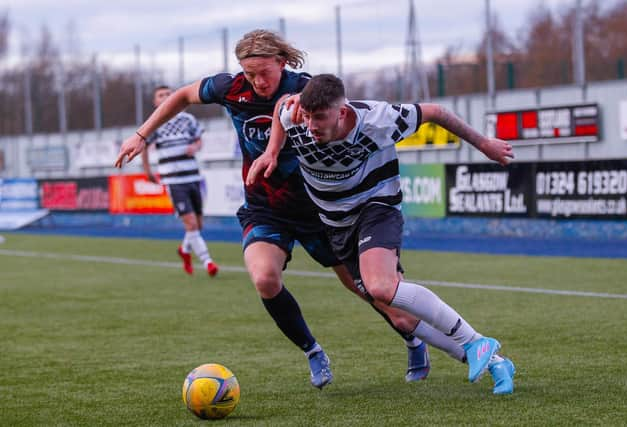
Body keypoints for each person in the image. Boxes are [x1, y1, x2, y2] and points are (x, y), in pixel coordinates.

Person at [116, 30, 448, 389]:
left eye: (265, 73)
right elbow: (182, 95)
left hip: (321, 209)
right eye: (249, 73)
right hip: (265, 208)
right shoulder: (230, 88)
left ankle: (413, 340)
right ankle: (312, 351)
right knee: (264, 278)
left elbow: (346, 124)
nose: (257, 81)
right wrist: (142, 134)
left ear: (282, 62)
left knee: (368, 289)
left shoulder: (306, 91)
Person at [247, 73, 517, 394]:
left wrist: (484, 144)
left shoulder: (379, 119)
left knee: (381, 286)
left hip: (377, 207)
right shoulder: (296, 116)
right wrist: (272, 151)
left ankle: (475, 341)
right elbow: (281, 108)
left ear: (342, 112)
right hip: (337, 224)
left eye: (319, 118)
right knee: (399, 316)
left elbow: (435, 112)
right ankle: (496, 362)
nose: (311, 126)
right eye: (307, 117)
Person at [141, 85, 218, 277]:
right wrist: (147, 170)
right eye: (161, 95)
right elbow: (143, 145)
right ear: (155, 101)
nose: (166, 97)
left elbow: (199, 140)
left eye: (168, 94)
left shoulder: (188, 119)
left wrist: (195, 146)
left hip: (193, 176)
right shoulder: (155, 122)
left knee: (198, 225)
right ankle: (208, 262)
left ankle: (184, 250)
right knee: (191, 224)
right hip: (174, 180)